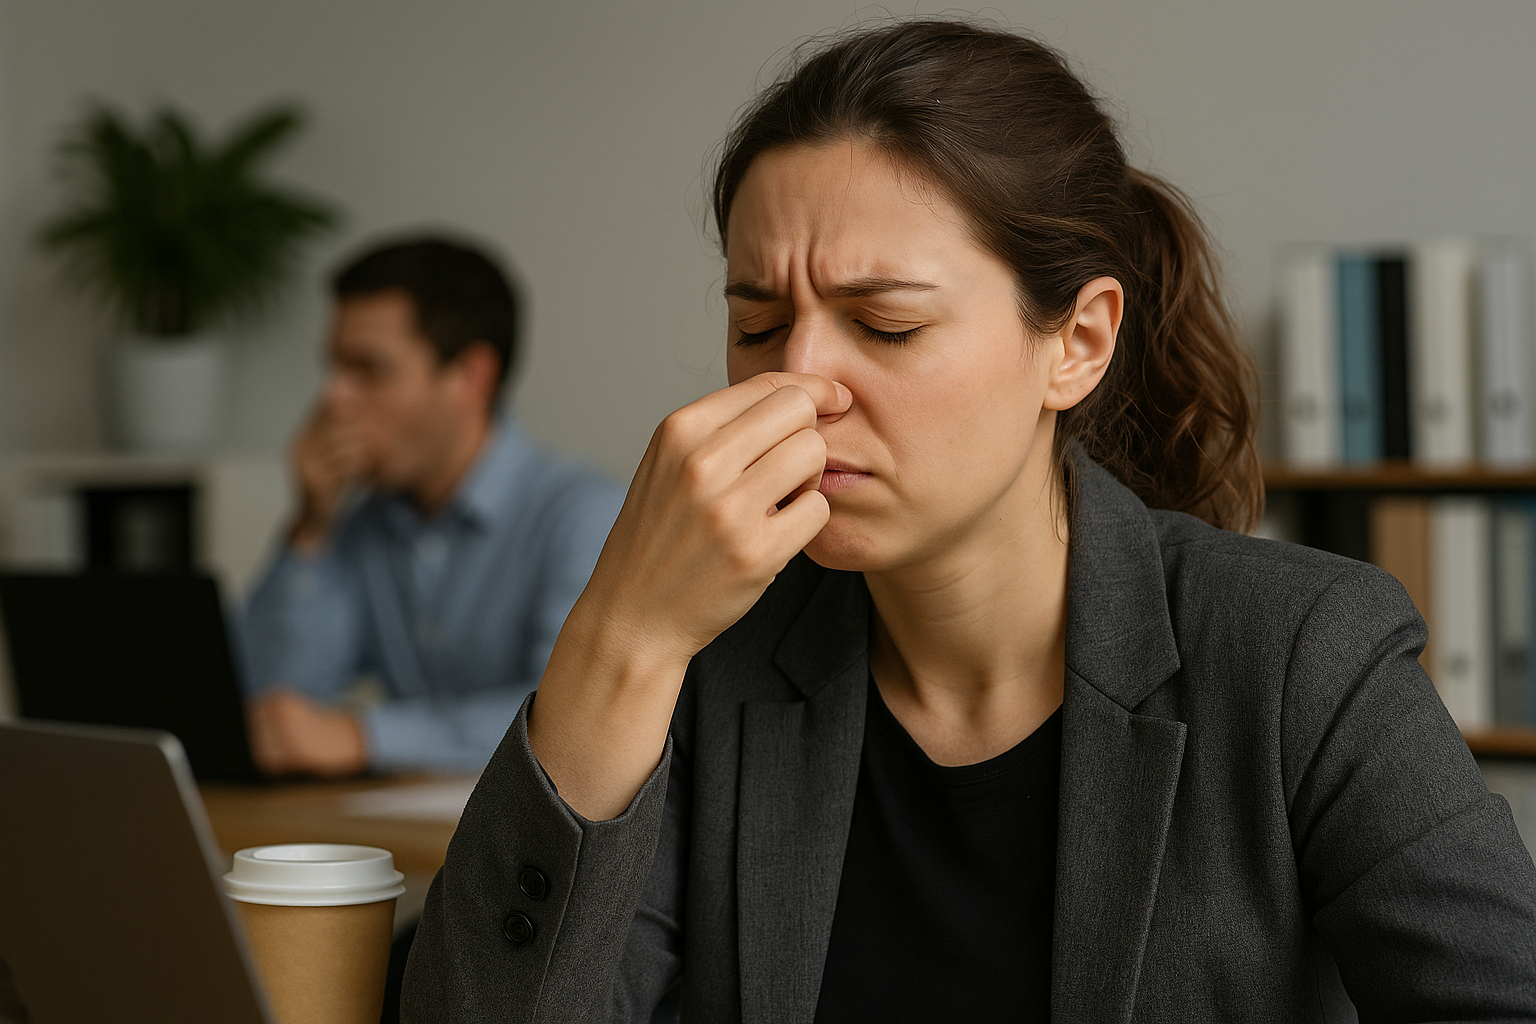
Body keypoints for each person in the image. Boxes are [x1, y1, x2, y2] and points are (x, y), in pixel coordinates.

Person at [403, 21, 1536, 1022]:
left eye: (885, 326)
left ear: (1078, 344)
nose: (799, 385)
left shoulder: (1304, 658)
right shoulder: (706, 672)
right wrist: (623, 632)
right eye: (757, 323)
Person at [241, 237, 623, 777]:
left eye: (367, 370)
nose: (333, 398)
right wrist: (310, 526)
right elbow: (277, 713)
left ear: (471, 376)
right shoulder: (363, 523)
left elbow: (576, 719)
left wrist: (362, 736)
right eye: (334, 368)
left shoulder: (583, 517)